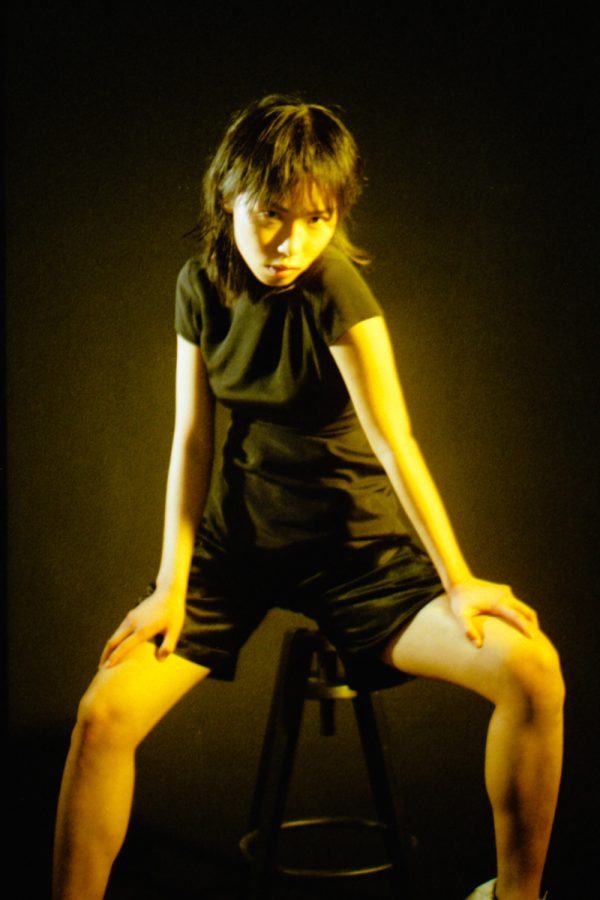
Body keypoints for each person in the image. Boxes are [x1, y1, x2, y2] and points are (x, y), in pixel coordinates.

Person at [52, 94, 564, 900]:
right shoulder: (199, 285)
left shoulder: (337, 292)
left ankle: (516, 896)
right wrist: (171, 585)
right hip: (239, 551)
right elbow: (192, 440)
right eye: (271, 215)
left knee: (533, 671)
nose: (290, 243)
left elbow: (396, 442)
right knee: (102, 715)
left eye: (316, 219)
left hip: (355, 557)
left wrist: (459, 578)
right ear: (228, 196)